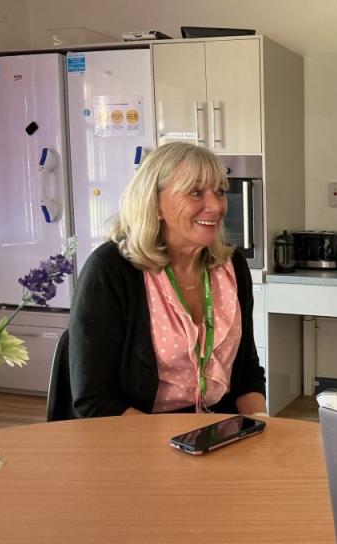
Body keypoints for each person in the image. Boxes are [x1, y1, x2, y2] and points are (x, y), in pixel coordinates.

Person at [69, 142, 266, 417]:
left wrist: (260, 424)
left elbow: (246, 372)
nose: (217, 206)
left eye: (220, 192)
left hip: (218, 428)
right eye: (196, 192)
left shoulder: (232, 267)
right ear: (156, 204)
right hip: (138, 437)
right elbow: (95, 399)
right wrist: (172, 449)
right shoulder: (111, 269)